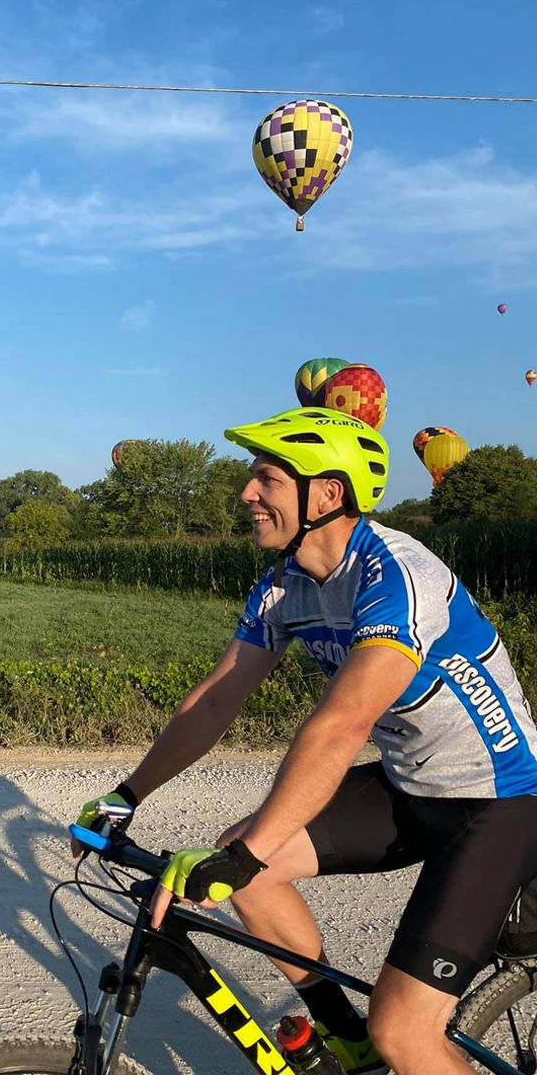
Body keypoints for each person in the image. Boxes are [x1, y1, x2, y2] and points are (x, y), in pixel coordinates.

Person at [75, 408, 537, 1075]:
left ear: (327, 493)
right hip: (410, 787)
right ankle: (343, 1038)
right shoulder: (283, 586)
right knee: (249, 873)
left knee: (406, 1032)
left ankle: (385, 1042)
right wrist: (126, 794)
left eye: (266, 478)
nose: (247, 494)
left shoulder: (397, 576)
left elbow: (342, 725)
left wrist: (251, 852)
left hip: (497, 804)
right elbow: (215, 700)